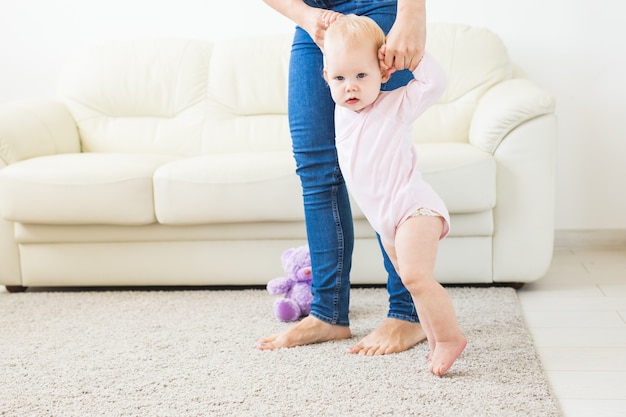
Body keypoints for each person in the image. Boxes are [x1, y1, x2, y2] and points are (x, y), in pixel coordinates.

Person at [258, 0, 434, 357]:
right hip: (315, 17)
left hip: (381, 6)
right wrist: (304, 16)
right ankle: (328, 313)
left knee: (384, 159)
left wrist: (412, 13)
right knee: (315, 167)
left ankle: (407, 313)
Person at [322, 13, 466, 375]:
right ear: (326, 78)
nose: (350, 87)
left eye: (361, 76)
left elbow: (435, 83)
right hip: (387, 223)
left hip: (413, 210)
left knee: (418, 277)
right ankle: (434, 340)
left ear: (383, 73)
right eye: (339, 78)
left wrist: (408, 57)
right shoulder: (342, 114)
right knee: (412, 284)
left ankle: (450, 338)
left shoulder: (395, 105)